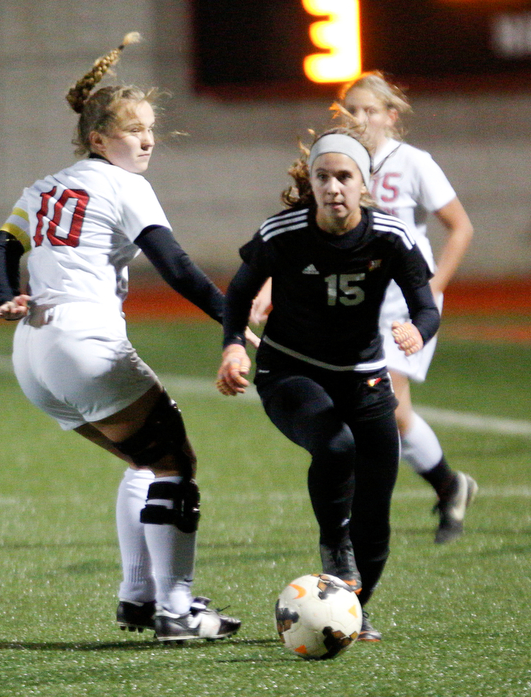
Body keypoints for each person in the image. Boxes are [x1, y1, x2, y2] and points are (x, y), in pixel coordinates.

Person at [0, 33, 248, 642]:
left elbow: (3, 246)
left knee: (145, 461)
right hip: (83, 341)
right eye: (135, 130)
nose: (149, 140)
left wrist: (6, 295)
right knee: (175, 465)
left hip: (32, 354)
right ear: (99, 139)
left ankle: (139, 596)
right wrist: (233, 323)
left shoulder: (47, 184)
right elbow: (177, 268)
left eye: (152, 128)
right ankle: (176, 611)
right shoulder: (124, 185)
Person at [216, 126, 441, 641]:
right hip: (290, 370)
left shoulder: (391, 237)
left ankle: (353, 612)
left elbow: (426, 308)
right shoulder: (283, 233)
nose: (333, 187)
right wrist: (233, 344)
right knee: (336, 447)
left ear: (365, 185)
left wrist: (416, 331)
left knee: (377, 512)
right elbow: (238, 292)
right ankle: (333, 546)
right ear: (312, 184)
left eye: (344, 176)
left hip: (363, 378)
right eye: (323, 177)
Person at [339, 71, 477, 544]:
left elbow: (460, 227)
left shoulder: (413, 162)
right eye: (349, 109)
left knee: (386, 401)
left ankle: (361, 514)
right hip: (359, 300)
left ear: (391, 117)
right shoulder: (340, 162)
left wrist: (431, 289)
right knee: (373, 405)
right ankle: (449, 485)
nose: (358, 118)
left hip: (404, 303)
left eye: (368, 110)